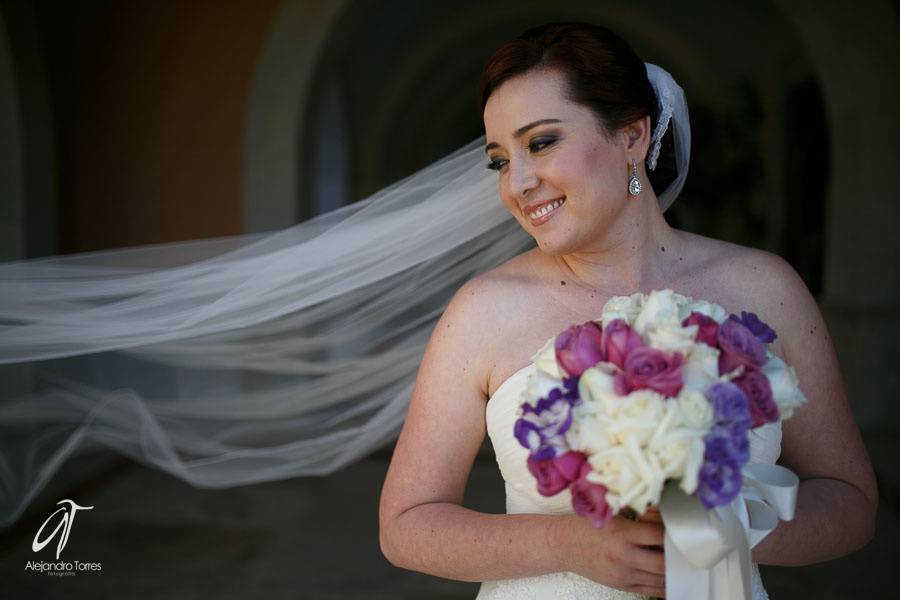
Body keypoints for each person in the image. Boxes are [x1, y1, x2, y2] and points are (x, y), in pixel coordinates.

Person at [378, 22, 877, 599]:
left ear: (633, 136)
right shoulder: (483, 311)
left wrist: (726, 529)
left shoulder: (766, 289)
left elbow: (850, 500)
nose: (517, 183)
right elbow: (405, 524)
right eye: (499, 160)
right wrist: (568, 544)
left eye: (541, 143)